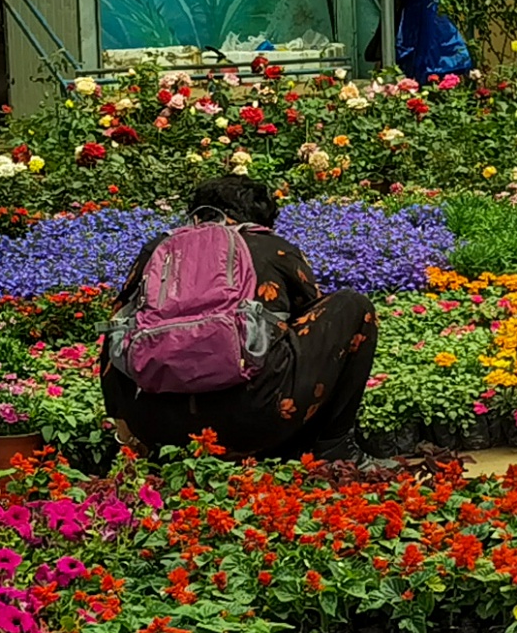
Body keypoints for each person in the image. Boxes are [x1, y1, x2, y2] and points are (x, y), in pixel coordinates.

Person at [101, 174, 380, 463]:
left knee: (120, 321)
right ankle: (334, 445)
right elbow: (311, 315)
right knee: (351, 307)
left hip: (157, 425)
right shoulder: (272, 248)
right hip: (257, 419)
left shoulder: (158, 249)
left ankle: (131, 444)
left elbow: (119, 323)